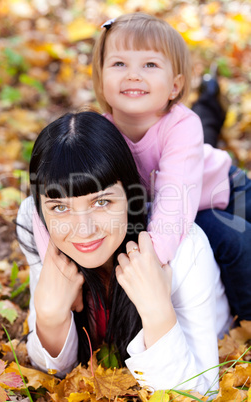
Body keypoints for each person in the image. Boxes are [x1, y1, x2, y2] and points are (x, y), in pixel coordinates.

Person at [17, 111, 231, 394]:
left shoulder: (186, 248)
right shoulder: (38, 229)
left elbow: (198, 393)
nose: (84, 230)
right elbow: (53, 374)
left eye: (102, 202)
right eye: (60, 207)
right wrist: (49, 318)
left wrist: (157, 313)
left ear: (130, 198)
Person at [90, 12, 251, 321]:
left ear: (175, 85)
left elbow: (175, 198)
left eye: (149, 65)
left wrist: (152, 265)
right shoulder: (99, 132)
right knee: (237, 240)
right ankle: (245, 318)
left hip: (224, 185)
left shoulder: (183, 125)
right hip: (187, 211)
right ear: (100, 77)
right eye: (119, 63)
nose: (133, 75)